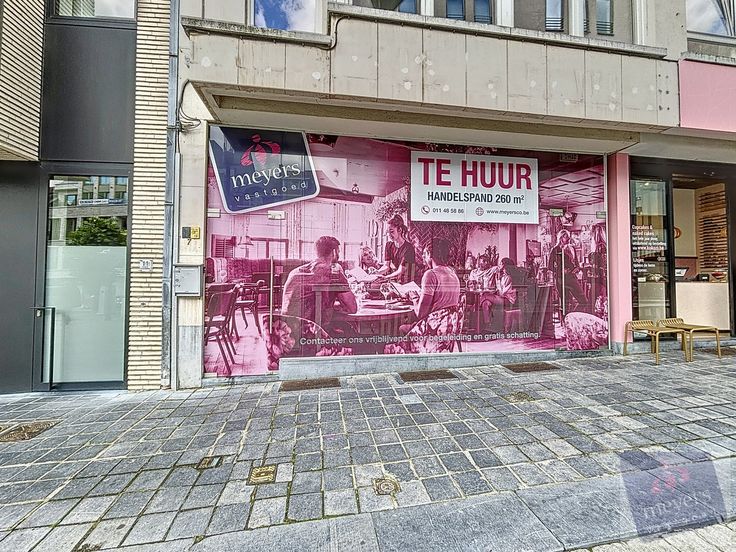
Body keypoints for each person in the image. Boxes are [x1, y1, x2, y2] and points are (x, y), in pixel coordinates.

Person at [281, 236, 357, 330]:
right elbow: (352, 308)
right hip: (311, 333)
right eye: (339, 252)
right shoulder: (334, 272)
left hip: (286, 332)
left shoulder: (295, 271)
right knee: (351, 330)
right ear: (334, 252)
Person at [407, 238, 460, 323]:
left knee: (402, 327)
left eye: (424, 253)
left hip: (433, 326)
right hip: (449, 326)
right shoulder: (452, 272)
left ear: (429, 254)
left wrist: (414, 297)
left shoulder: (430, 274)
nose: (423, 256)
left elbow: (420, 314)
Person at [548, 229, 588, 314]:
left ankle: (572, 317)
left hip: (572, 278)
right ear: (561, 238)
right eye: (566, 237)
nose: (568, 239)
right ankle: (566, 320)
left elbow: (576, 263)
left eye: (568, 237)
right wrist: (560, 270)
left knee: (583, 301)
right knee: (565, 304)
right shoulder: (555, 250)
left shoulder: (572, 248)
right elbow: (550, 266)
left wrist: (577, 268)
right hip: (561, 279)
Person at [374, 215, 416, 284]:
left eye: (392, 232)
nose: (389, 235)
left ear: (399, 230)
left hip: (406, 283)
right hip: (393, 281)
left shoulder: (409, 248)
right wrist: (377, 273)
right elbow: (386, 266)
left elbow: (401, 270)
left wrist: (386, 277)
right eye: (388, 232)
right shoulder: (389, 245)